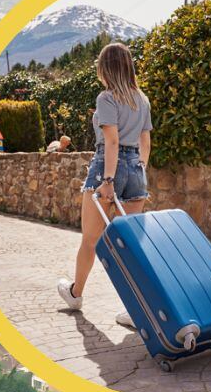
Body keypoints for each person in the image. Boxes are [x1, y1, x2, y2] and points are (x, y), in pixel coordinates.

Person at [57, 42, 153, 327]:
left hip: (107, 169)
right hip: (137, 169)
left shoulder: (107, 99)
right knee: (132, 246)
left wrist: (109, 180)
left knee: (90, 239)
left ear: (105, 68)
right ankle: (139, 310)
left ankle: (76, 294)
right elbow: (145, 143)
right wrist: (138, 169)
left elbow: (111, 141)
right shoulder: (142, 100)